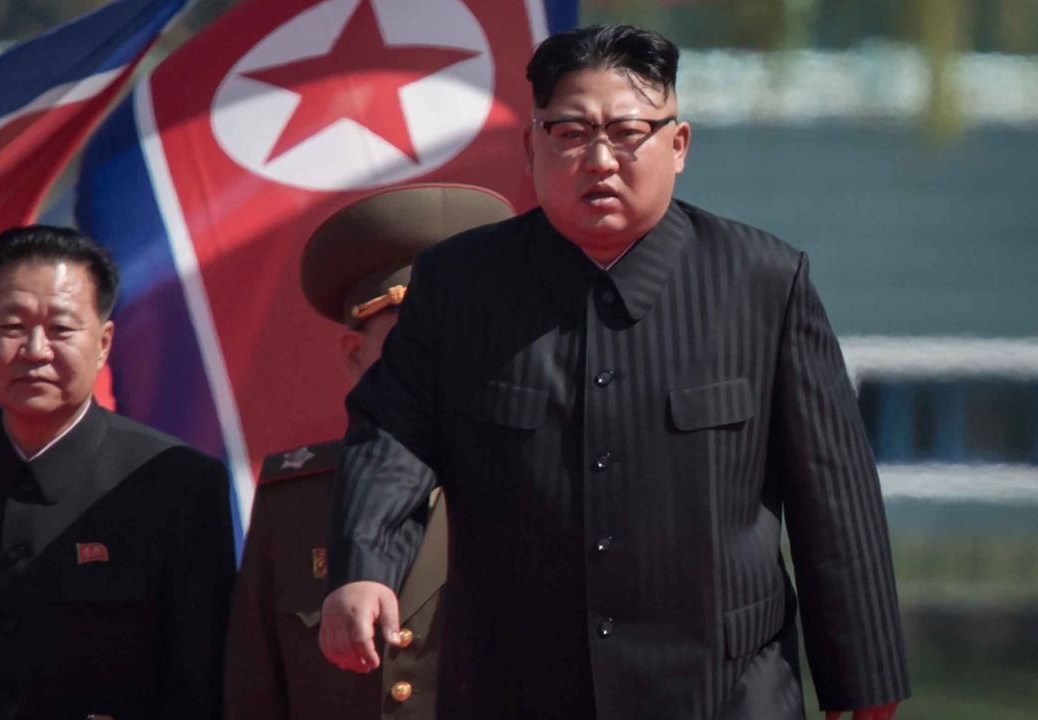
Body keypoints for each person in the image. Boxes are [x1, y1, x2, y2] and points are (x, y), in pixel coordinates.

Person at [319, 25, 910, 720]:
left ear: (678, 145)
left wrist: (864, 682)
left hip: (723, 691)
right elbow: (393, 435)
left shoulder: (762, 282)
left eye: (628, 131)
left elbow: (833, 495)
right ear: (532, 146)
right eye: (570, 133)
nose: (599, 158)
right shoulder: (460, 285)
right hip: (519, 686)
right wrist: (363, 567)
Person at [0, 225, 234, 720]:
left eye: (61, 329)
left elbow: (200, 681)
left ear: (103, 342)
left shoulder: (178, 483)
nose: (35, 349)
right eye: (11, 327)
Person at [224, 184, 514, 720]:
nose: (435, 362)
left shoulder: (533, 480)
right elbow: (255, 689)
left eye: (455, 335)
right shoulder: (297, 498)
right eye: (411, 341)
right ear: (355, 355)